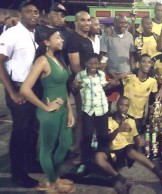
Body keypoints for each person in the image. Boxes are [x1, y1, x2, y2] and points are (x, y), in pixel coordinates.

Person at [20, 25, 76, 193]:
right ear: (46, 42)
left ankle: (54, 177)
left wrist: (70, 110)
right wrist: (45, 106)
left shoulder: (58, 57)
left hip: (63, 111)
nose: (62, 40)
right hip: (49, 113)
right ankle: (52, 182)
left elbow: (63, 87)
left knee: (65, 144)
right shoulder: (43, 61)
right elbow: (24, 89)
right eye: (57, 38)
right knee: (47, 149)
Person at [0, 0, 41, 188]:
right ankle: (18, 173)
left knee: (32, 130)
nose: (34, 15)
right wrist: (13, 93)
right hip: (18, 88)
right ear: (20, 14)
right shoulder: (12, 34)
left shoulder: (33, 34)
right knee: (20, 132)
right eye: (30, 11)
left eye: (37, 12)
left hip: (32, 88)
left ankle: (30, 163)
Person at [94, 96, 162, 194]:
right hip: (111, 150)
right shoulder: (109, 119)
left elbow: (136, 137)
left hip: (125, 151)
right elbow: (107, 139)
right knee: (98, 157)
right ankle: (123, 180)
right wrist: (118, 129)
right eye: (121, 105)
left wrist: (140, 141)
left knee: (131, 151)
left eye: (126, 106)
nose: (123, 108)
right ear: (117, 105)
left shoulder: (131, 120)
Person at [74, 53, 120, 175]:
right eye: (91, 63)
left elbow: (103, 87)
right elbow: (75, 88)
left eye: (96, 63)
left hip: (102, 109)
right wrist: (75, 86)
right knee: (87, 136)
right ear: (86, 64)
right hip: (88, 110)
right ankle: (85, 162)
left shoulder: (101, 75)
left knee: (103, 136)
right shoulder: (81, 75)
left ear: (99, 64)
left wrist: (111, 84)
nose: (93, 66)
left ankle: (104, 161)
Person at [67, 11, 94, 156]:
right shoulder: (73, 39)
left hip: (88, 82)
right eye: (83, 20)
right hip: (80, 84)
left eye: (88, 20)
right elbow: (75, 66)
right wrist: (89, 79)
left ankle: (82, 146)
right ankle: (76, 148)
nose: (87, 23)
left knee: (87, 116)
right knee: (82, 117)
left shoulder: (88, 40)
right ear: (76, 22)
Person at [121, 54, 158, 133]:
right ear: (138, 64)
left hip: (140, 118)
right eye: (144, 62)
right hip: (126, 116)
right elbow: (116, 83)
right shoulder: (130, 77)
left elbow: (155, 98)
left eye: (149, 62)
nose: (146, 64)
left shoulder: (152, 82)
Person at [100, 14, 135, 79]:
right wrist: (109, 71)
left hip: (126, 74)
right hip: (111, 74)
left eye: (125, 23)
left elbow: (131, 54)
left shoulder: (130, 36)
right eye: (121, 23)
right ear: (115, 23)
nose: (124, 25)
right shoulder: (106, 35)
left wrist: (131, 70)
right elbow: (103, 55)